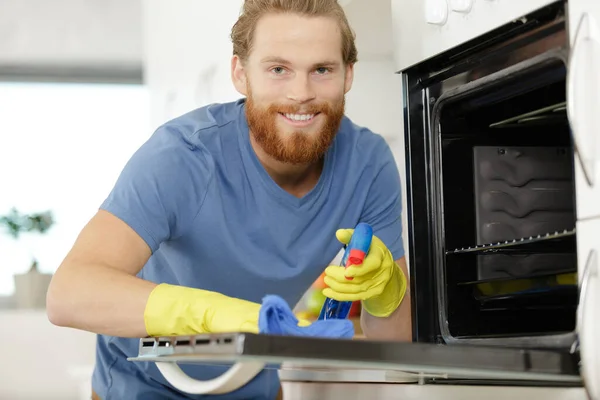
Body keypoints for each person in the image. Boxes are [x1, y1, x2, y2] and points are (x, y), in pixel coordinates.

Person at [46, 0, 412, 398]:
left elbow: (396, 341)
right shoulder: (182, 156)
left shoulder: (369, 164)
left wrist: (386, 289)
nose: (301, 93)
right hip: (143, 384)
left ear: (348, 75)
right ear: (240, 73)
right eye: (278, 69)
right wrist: (212, 314)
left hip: (255, 382)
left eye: (322, 70)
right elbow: (69, 293)